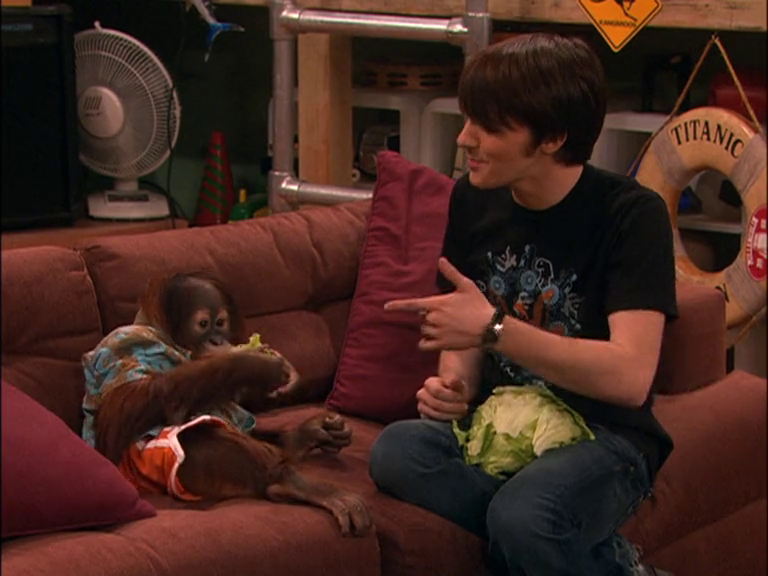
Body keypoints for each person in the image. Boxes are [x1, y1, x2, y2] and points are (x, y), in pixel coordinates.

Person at [369, 33, 677, 576]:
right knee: (396, 452)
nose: (464, 138)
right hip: (498, 427)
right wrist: (453, 387)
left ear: (553, 137)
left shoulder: (631, 215)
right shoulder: (473, 198)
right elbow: (464, 326)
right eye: (468, 118)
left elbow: (630, 377)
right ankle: (603, 561)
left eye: (488, 126)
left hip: (605, 436)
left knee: (523, 518)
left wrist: (494, 329)